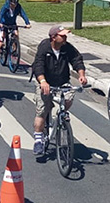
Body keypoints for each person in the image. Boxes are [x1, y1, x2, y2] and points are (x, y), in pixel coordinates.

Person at [30, 26, 87, 156]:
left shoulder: (67, 47)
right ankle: (38, 139)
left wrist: (81, 75)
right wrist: (43, 81)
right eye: (62, 35)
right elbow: (38, 65)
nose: (65, 37)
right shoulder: (44, 47)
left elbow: (77, 60)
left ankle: (62, 113)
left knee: (69, 96)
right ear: (53, 37)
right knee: (42, 110)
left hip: (62, 81)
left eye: (65, 35)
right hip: (46, 82)